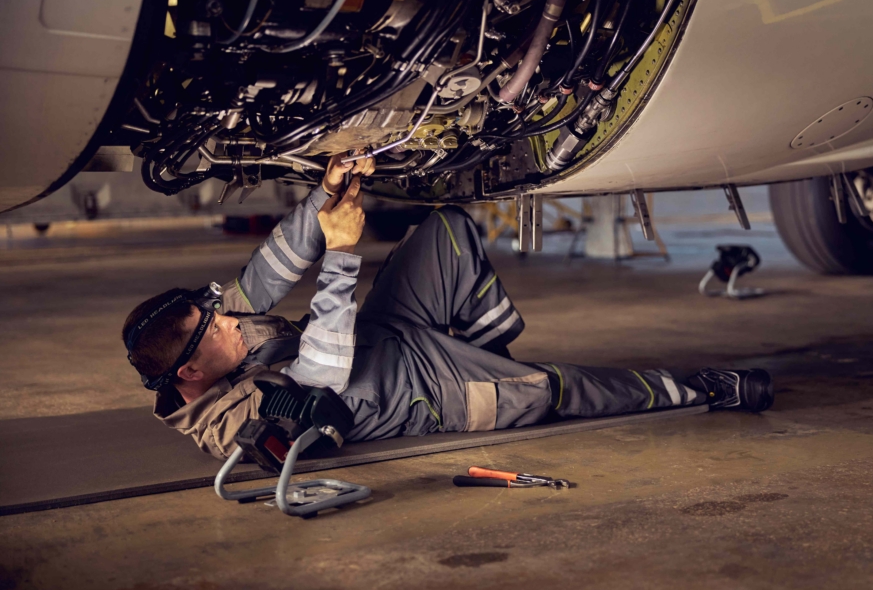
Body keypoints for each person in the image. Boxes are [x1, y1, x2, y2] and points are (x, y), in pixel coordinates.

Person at [123, 155, 774, 460]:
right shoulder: (236, 417)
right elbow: (321, 374)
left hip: (388, 333)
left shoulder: (209, 341)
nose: (230, 318)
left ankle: (491, 357)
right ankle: (702, 391)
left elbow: (266, 273)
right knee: (563, 387)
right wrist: (344, 254)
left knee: (449, 230)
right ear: (190, 372)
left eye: (218, 313)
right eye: (213, 327)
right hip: (423, 391)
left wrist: (321, 204)